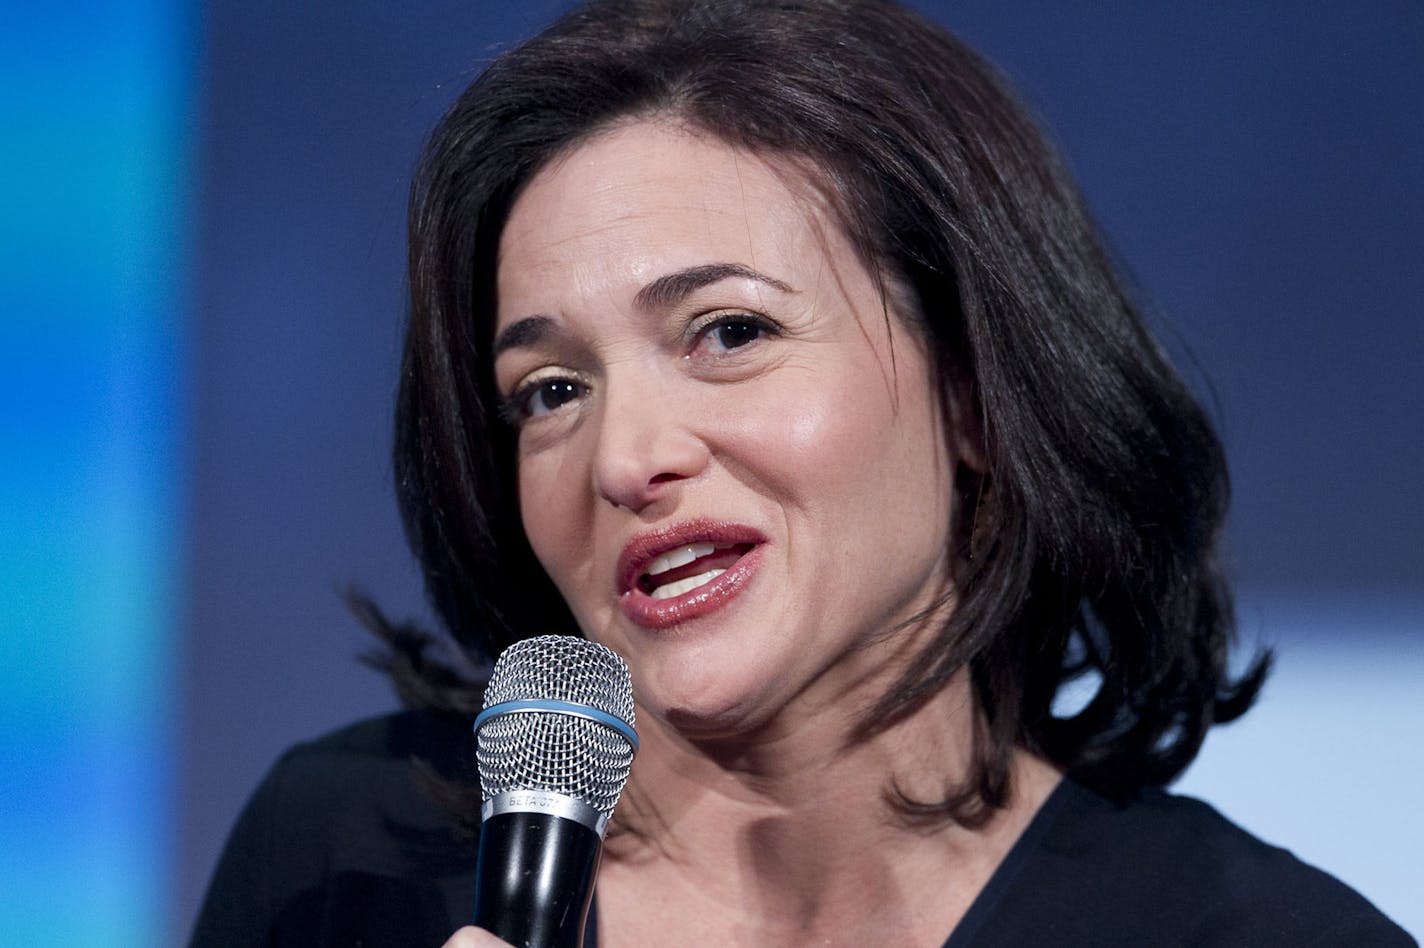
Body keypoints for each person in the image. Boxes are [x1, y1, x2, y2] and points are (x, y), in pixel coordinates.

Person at [192, 1, 1414, 945]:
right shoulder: (341, 855)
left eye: (729, 334)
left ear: (975, 394)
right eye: (549, 392)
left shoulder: (1254, 936)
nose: (623, 459)